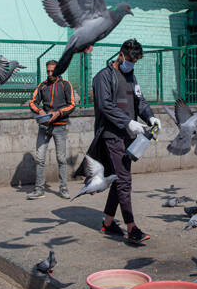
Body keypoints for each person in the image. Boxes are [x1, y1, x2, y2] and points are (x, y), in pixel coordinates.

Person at [86, 39, 160, 244]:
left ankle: (108, 222)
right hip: (111, 135)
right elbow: (105, 106)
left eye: (135, 61)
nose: (132, 64)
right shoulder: (103, 77)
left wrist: (150, 117)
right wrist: (127, 122)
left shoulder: (131, 77)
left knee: (120, 179)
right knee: (125, 180)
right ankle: (131, 227)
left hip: (129, 136)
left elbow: (140, 101)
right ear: (120, 55)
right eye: (130, 60)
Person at [28, 60, 76, 200]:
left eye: (52, 71)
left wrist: (59, 113)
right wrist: (40, 110)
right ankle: (39, 189)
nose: (50, 74)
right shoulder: (42, 86)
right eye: (48, 71)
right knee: (40, 158)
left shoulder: (66, 85)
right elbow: (32, 102)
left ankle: (64, 188)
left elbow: (72, 104)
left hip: (60, 126)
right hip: (44, 126)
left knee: (61, 158)